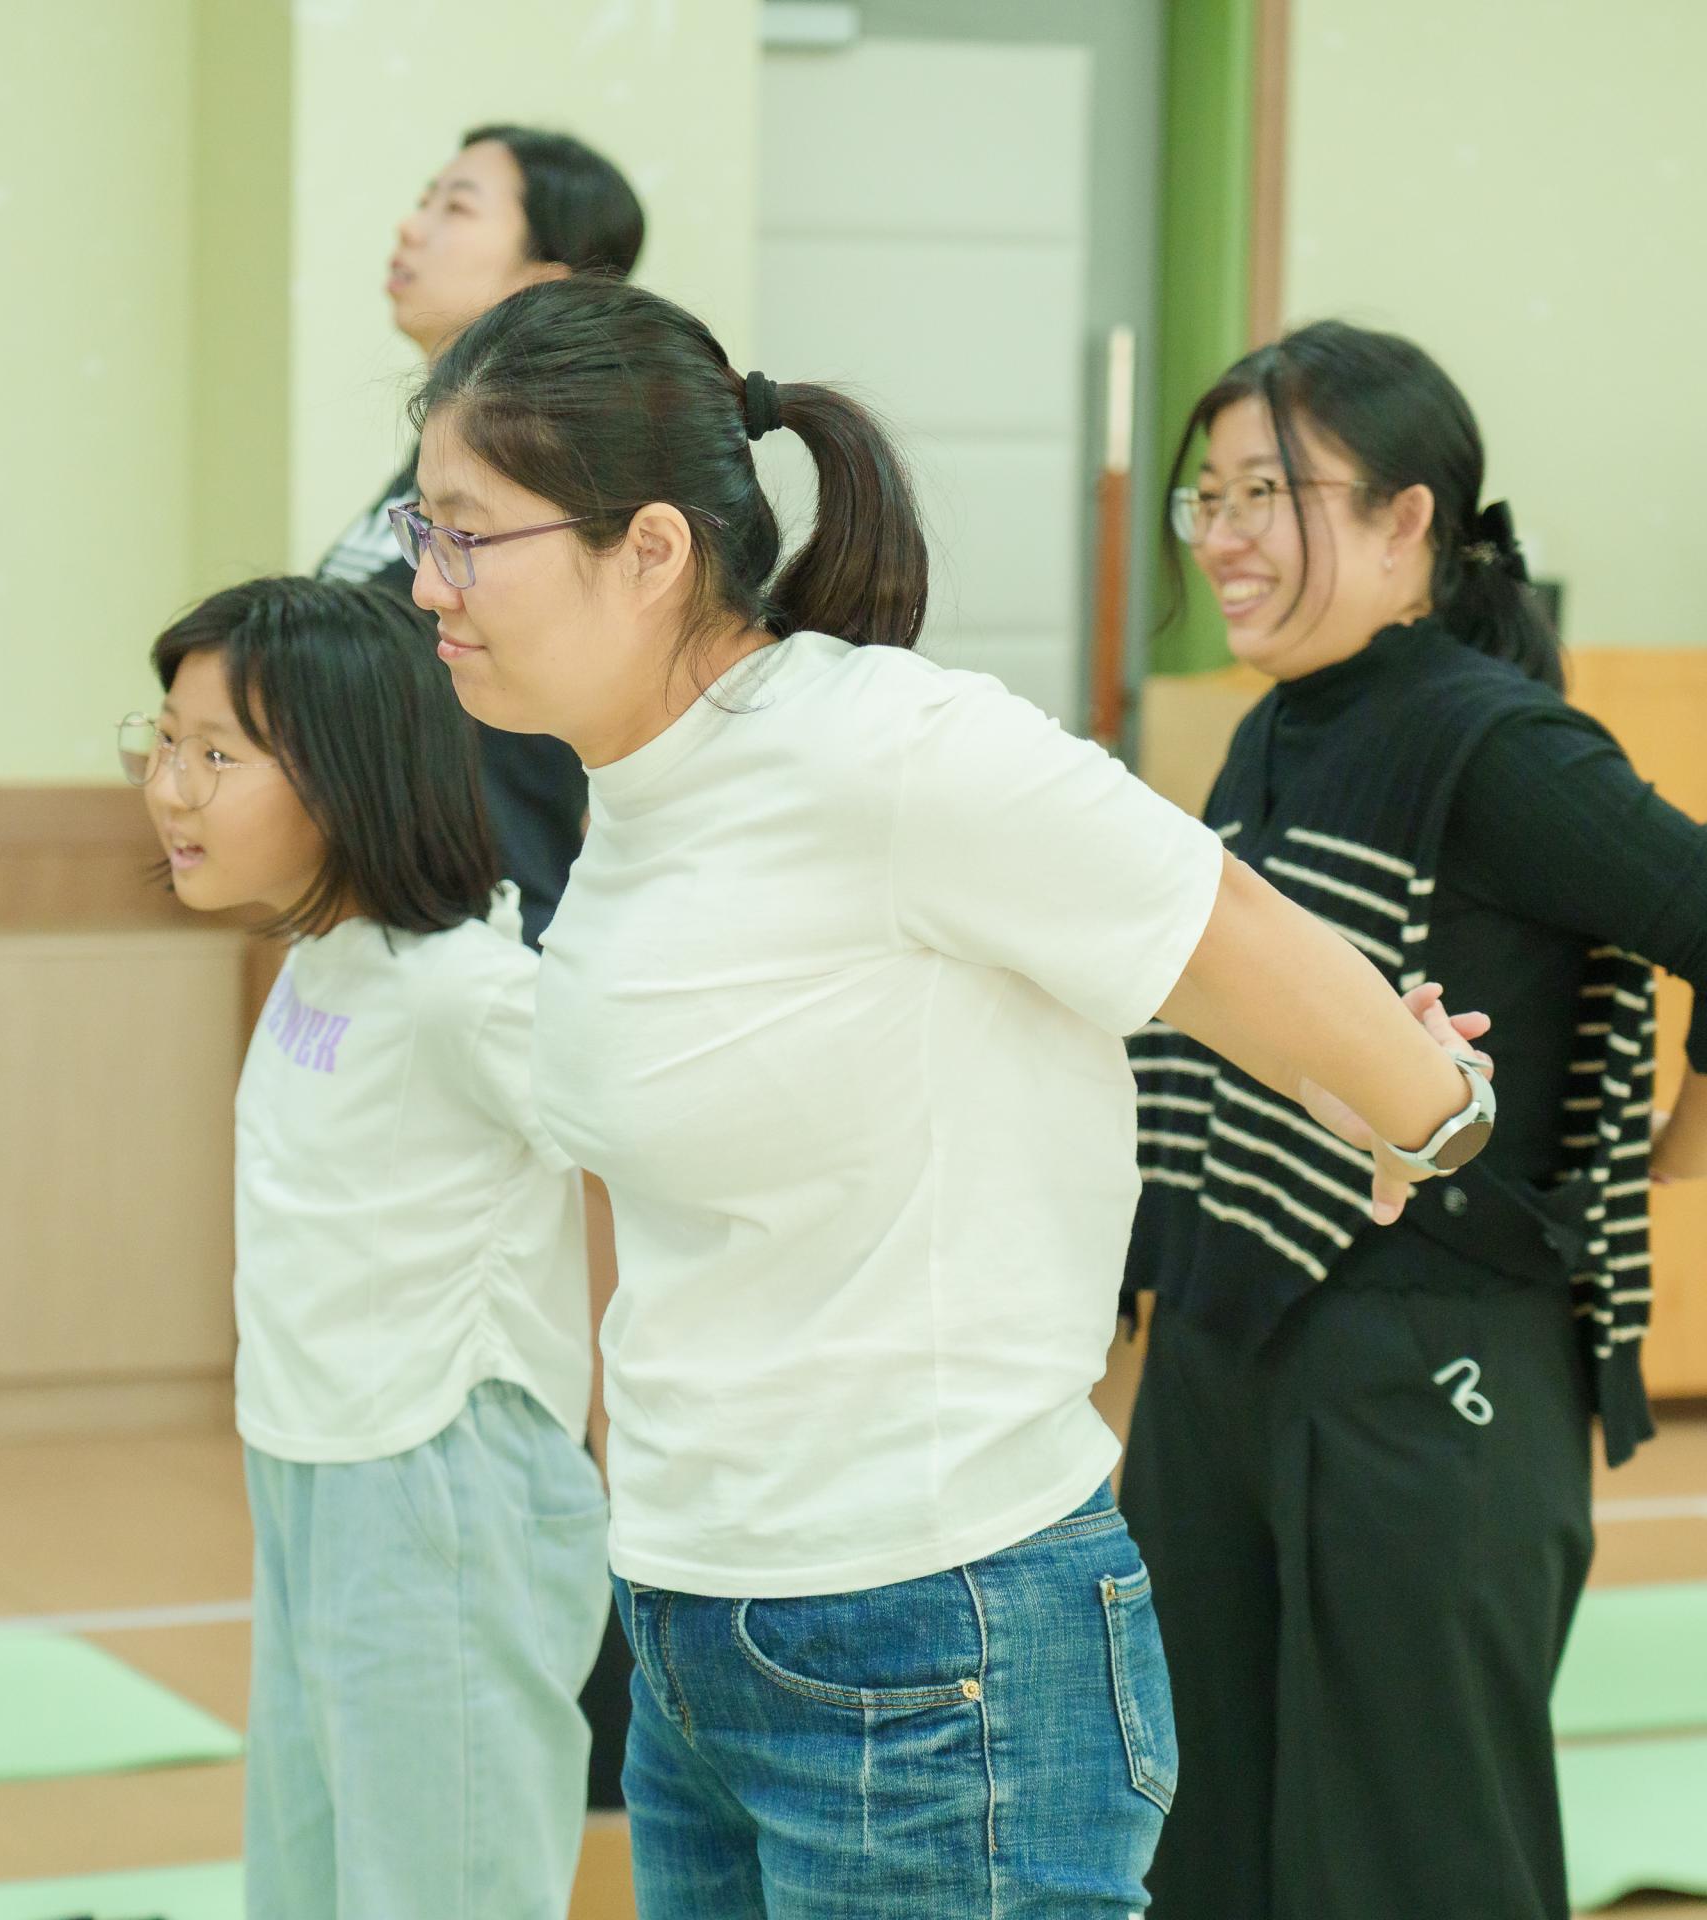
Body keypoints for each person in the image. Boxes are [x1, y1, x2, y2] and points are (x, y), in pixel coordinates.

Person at [389, 274, 1499, 1918]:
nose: (427, 580)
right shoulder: (635, 789)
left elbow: (1215, 926)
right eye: (423, 527)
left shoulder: (891, 748)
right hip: (695, 1617)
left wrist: (1428, 1109)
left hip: (934, 1641)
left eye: (469, 535)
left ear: (650, 551)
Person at [1120, 320, 1707, 1920]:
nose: (1224, 536)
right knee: (1200, 1845)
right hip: (1228, 1344)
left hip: (1423, 1368)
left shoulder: (1495, 745)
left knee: (1417, 1867)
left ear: (1406, 523)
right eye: (1208, 496)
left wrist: (1676, 1151)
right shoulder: (1273, 727)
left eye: (1270, 493)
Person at [119, 576, 610, 1918]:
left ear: (347, 774)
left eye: (217, 756)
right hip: (311, 1465)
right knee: (309, 1872)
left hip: (438, 1481)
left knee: (443, 1882)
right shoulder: (318, 959)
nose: (170, 789)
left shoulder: (467, 991)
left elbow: (655, 1156)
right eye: (165, 743)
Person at [317, 123, 645, 949]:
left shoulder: (557, 486)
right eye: (424, 201)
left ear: (545, 281)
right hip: (392, 931)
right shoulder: (430, 472)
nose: (410, 226)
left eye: (456, 208)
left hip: (498, 935)